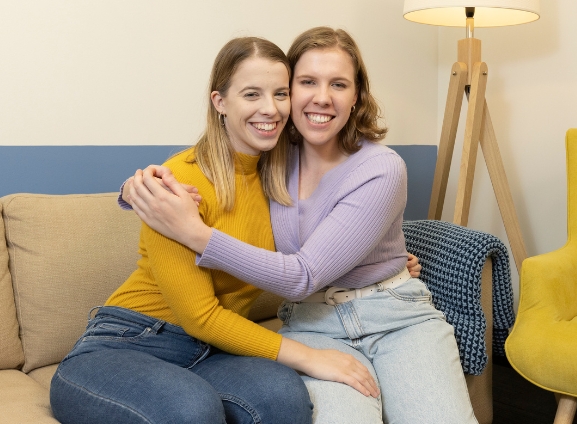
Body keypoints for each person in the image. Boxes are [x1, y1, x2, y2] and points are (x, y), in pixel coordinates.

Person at [126, 27, 476, 424]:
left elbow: (304, 273)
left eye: (339, 84)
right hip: (311, 323)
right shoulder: (271, 157)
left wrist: (194, 233)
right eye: (307, 82)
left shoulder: (382, 167)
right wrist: (139, 185)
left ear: (356, 96)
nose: (322, 97)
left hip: (395, 317)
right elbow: (211, 166)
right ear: (290, 91)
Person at [49, 36, 384, 424]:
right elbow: (199, 316)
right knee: (191, 410)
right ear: (220, 102)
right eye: (252, 94)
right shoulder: (181, 181)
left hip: (213, 352)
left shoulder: (283, 177)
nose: (270, 109)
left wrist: (378, 266)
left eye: (280, 94)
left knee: (283, 395)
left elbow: (314, 252)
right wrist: (312, 357)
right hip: (129, 342)